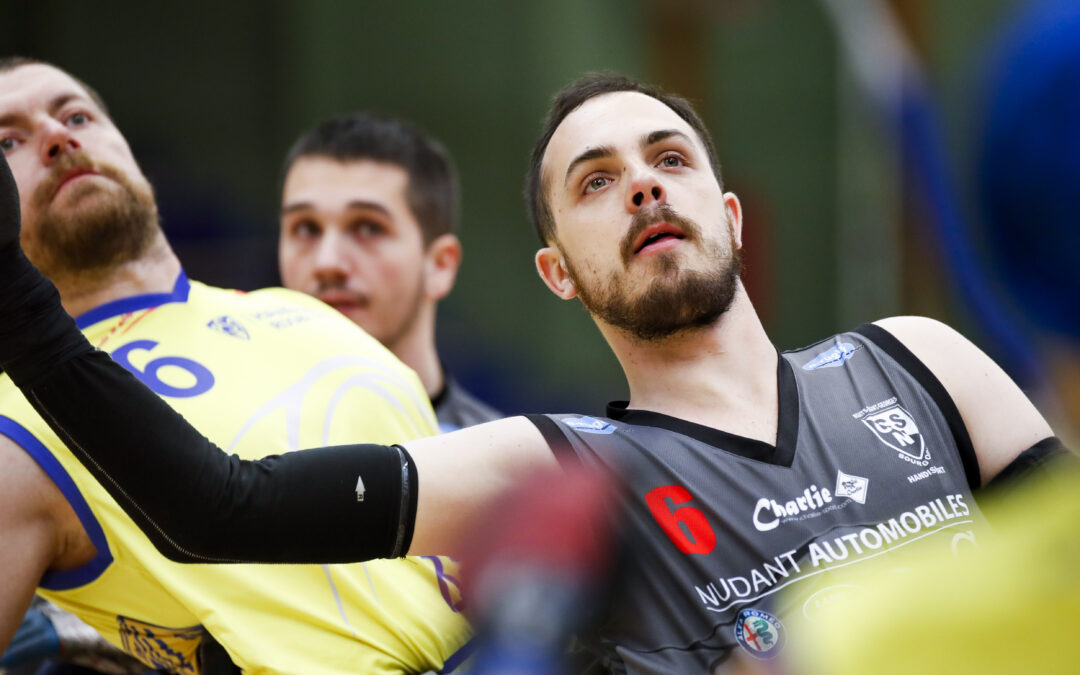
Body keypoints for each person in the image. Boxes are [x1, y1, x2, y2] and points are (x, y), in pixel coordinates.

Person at [0, 72, 1068, 673]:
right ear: (558, 273)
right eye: (596, 182)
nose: (644, 188)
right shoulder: (554, 473)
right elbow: (221, 511)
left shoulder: (918, 358)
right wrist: (16, 303)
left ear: (728, 214)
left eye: (668, 159)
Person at [0, 57, 472, 673]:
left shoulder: (298, 310)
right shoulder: (16, 426)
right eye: (9, 140)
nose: (59, 137)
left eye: (77, 115)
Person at [278, 113, 501, 431]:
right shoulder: (221, 452)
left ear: (440, 265)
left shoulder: (504, 467)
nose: (327, 262)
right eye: (305, 228)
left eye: (368, 227)